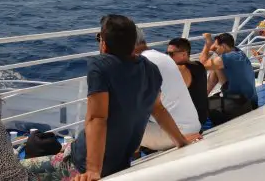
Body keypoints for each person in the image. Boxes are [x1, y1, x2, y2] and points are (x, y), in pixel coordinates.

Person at [26, 15, 194, 180]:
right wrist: (181, 141)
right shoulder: (150, 69)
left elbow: (97, 118)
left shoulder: (100, 66)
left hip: (80, 164)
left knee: (19, 170)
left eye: (99, 37)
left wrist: (92, 171)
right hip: (118, 162)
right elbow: (158, 109)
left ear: (104, 44)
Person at [135, 28, 202, 152]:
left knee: (115, 125)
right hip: (193, 126)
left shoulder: (141, 63)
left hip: (177, 134)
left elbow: (154, 108)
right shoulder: (163, 57)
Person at [200, 32, 258, 126]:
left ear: (223, 46)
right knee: (216, 65)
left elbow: (202, 65)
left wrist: (208, 43)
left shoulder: (229, 57)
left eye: (216, 48)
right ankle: (202, 97)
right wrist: (214, 46)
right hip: (251, 101)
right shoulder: (237, 52)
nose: (214, 50)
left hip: (243, 104)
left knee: (203, 106)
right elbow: (215, 67)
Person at [166, 38, 209, 126]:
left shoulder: (182, 70)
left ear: (184, 54)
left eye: (171, 54)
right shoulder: (199, 65)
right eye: (167, 53)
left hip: (190, 123)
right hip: (202, 117)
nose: (168, 56)